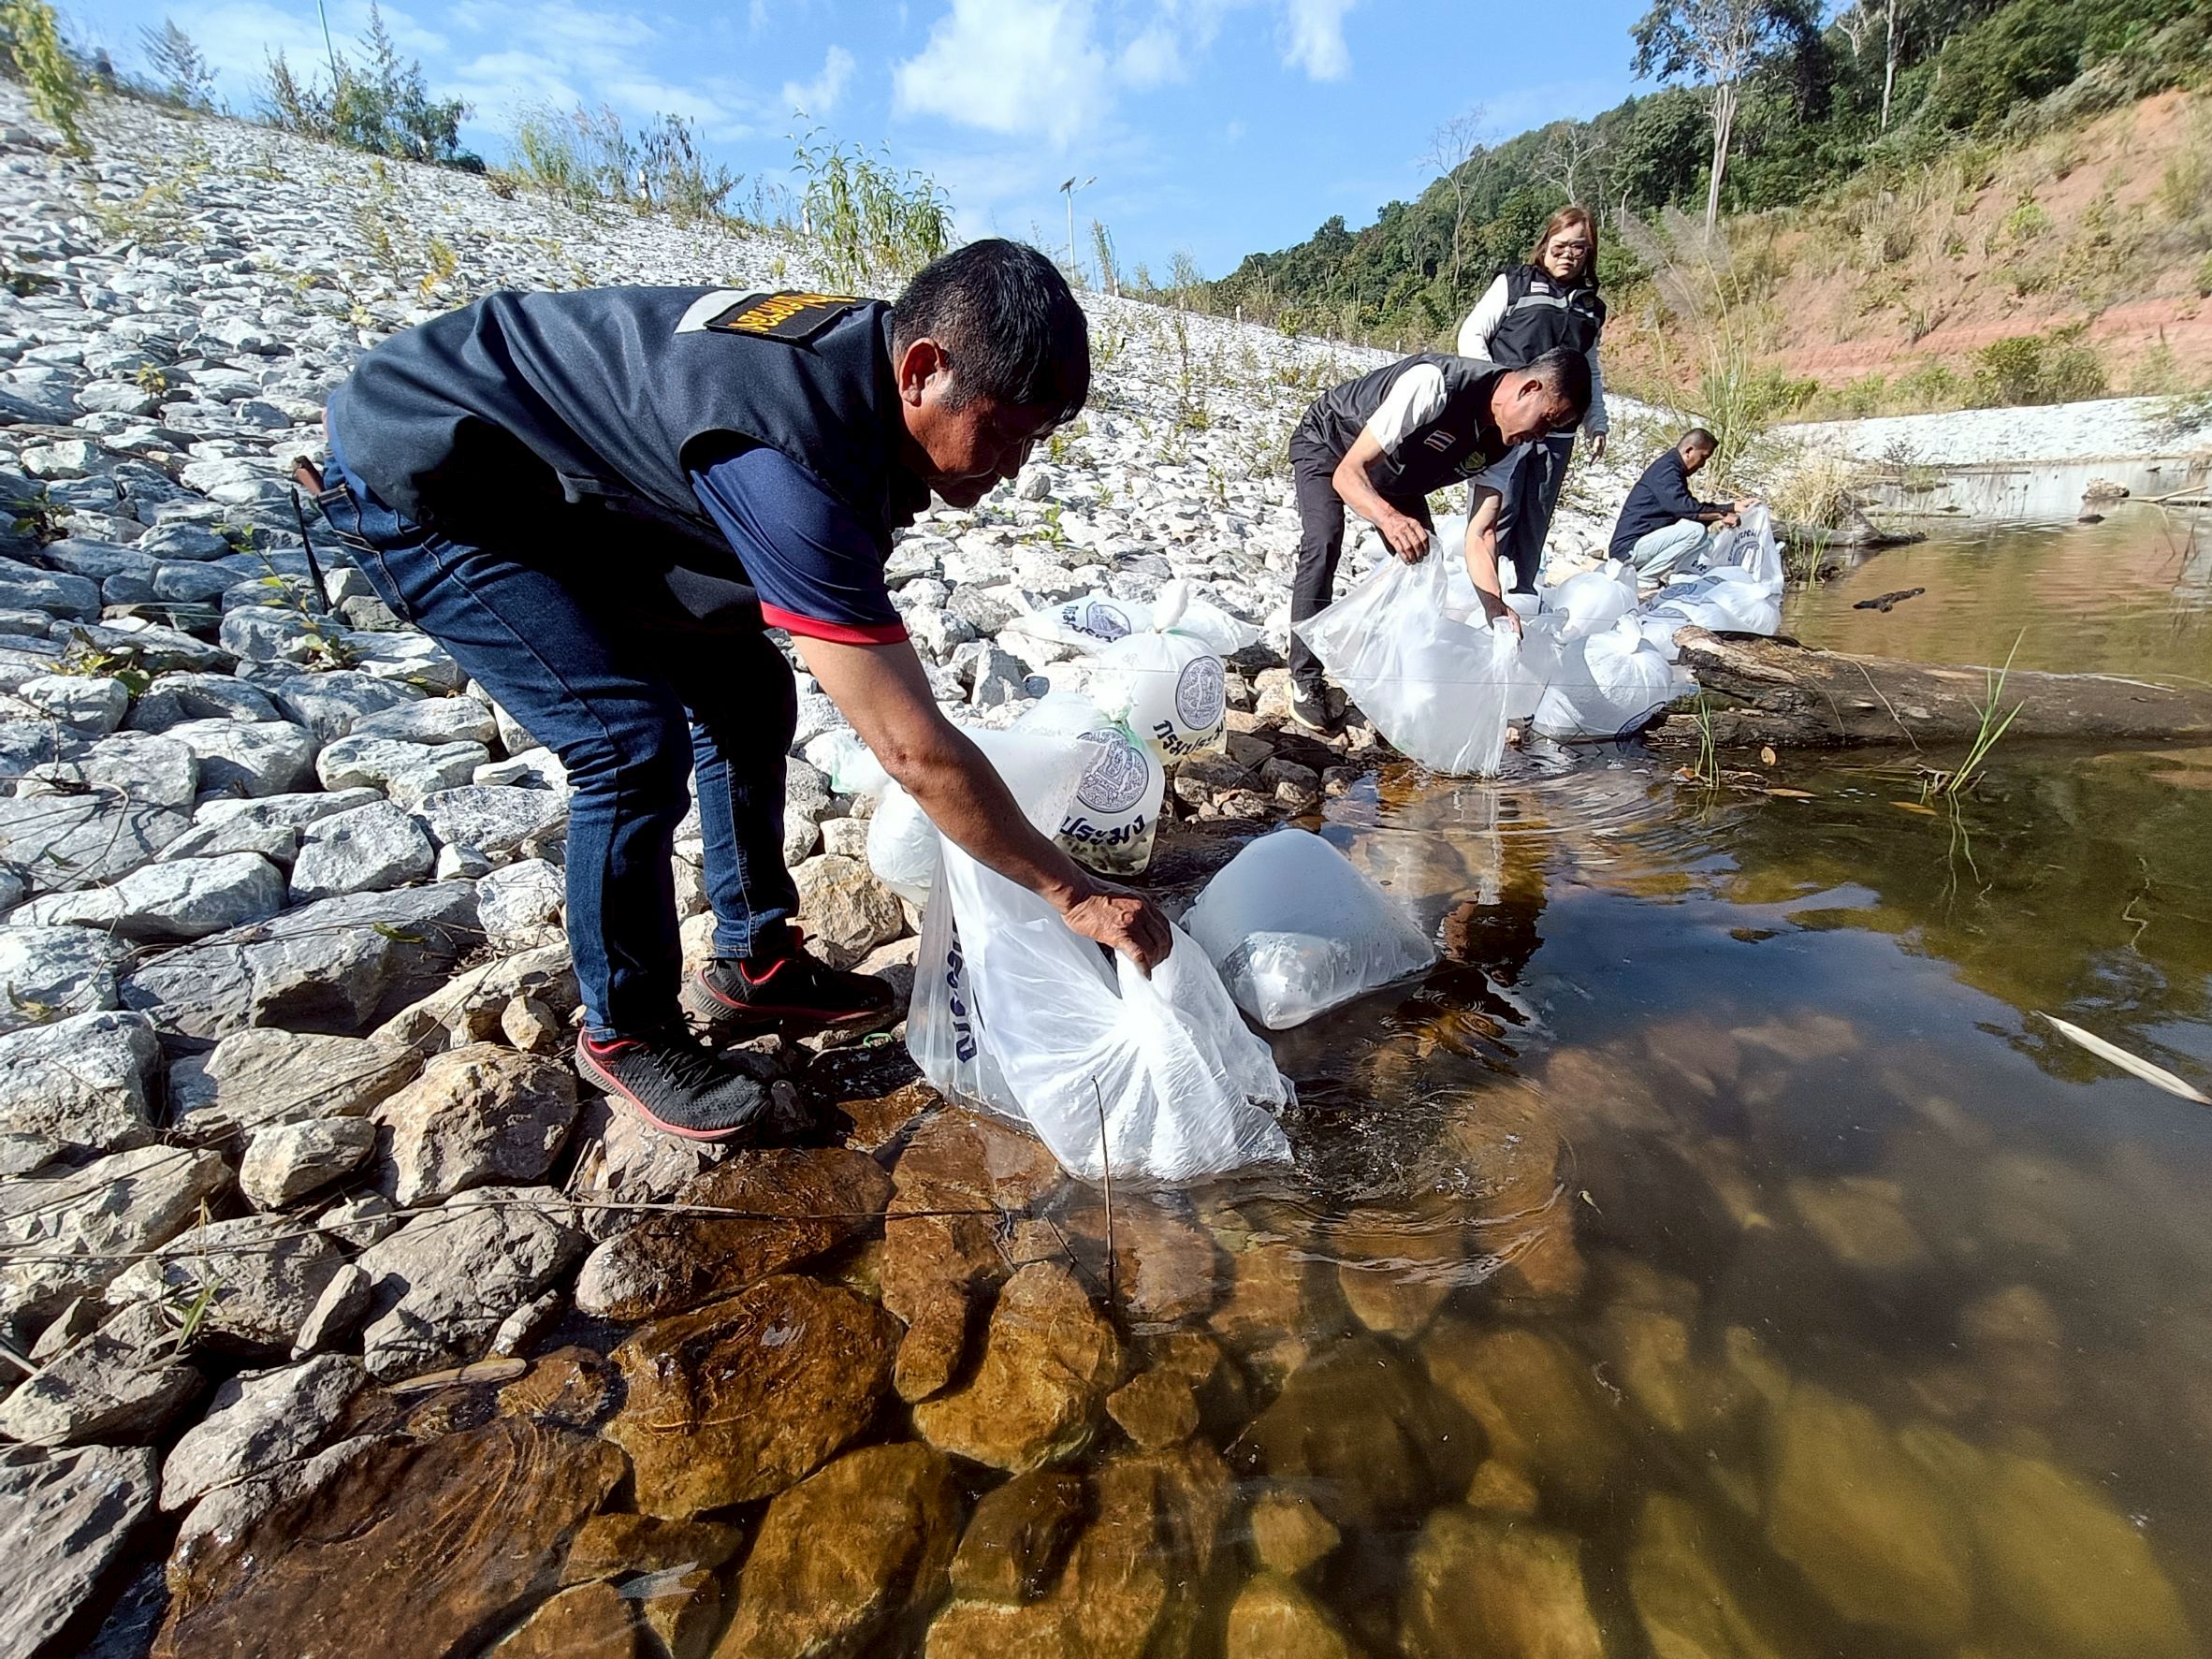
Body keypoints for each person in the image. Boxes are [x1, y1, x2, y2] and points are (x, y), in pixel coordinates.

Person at [311, 241, 1172, 1143]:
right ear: (922, 369)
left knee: (749, 689)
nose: (1014, 467)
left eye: (1034, 441)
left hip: (558, 476)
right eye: (1002, 433)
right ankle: (626, 1030)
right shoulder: (790, 457)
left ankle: (754, 962)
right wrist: (1071, 892)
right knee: (626, 742)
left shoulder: (862, 372)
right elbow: (913, 750)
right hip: (433, 473)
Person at [1285, 348, 1591, 734]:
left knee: (1425, 567)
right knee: (1324, 539)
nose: (1541, 436)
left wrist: (1495, 605)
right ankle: (1304, 678)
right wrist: (1389, 519)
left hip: (1398, 475)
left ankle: (1393, 677)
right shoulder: (1436, 384)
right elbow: (1349, 474)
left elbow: (1481, 532)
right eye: (1546, 420)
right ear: (1529, 388)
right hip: (1333, 443)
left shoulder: (1507, 445)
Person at [1456, 206, 1609, 592]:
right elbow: (1472, 334)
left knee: (1536, 516)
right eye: (1561, 245)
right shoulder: (1515, 284)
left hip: (1558, 433)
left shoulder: (1591, 308)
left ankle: (1521, 594)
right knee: (1497, 510)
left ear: (1589, 252)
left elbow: (1589, 369)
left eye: (1579, 247)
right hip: (1511, 422)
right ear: (1546, 244)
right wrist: (1492, 389)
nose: (1568, 254)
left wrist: (1596, 421)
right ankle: (1485, 595)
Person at [1608, 428, 1754, 577]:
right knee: (1696, 531)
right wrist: (1722, 514)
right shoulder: (1666, 471)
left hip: (1640, 545)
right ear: (1689, 451)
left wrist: (1732, 507)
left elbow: (1689, 509)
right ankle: (1646, 579)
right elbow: (1686, 509)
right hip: (1627, 549)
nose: (1703, 464)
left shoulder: (1671, 469)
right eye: (1703, 457)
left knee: (1705, 537)